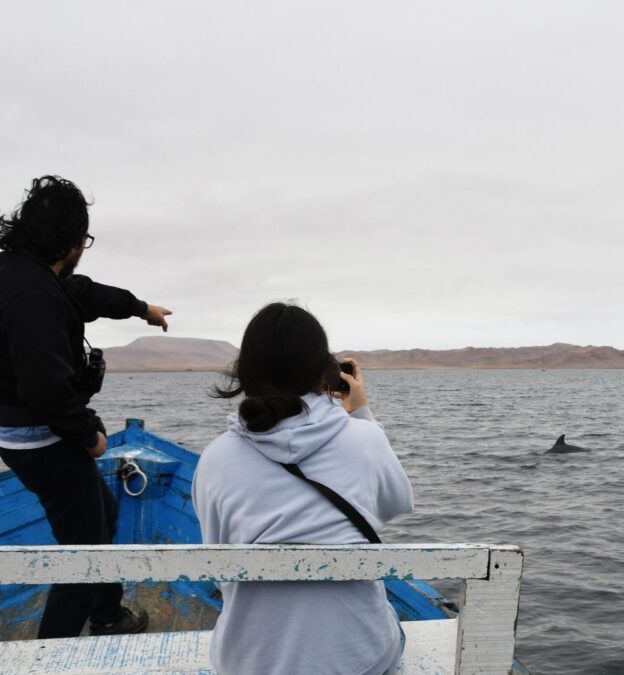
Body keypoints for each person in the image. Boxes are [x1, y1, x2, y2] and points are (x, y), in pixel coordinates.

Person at [193, 302, 414, 675]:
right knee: (386, 620)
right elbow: (395, 505)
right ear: (324, 373)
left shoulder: (215, 457)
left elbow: (219, 559)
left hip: (249, 662)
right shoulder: (363, 438)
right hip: (358, 659)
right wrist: (361, 415)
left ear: (245, 372)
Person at [0, 175, 172, 638]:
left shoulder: (26, 274)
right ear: (71, 240)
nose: (83, 248)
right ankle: (47, 657)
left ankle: (108, 613)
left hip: (23, 433)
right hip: (42, 439)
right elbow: (45, 389)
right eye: (83, 239)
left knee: (103, 513)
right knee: (84, 557)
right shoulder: (35, 295)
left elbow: (88, 294)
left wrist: (142, 308)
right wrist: (90, 434)